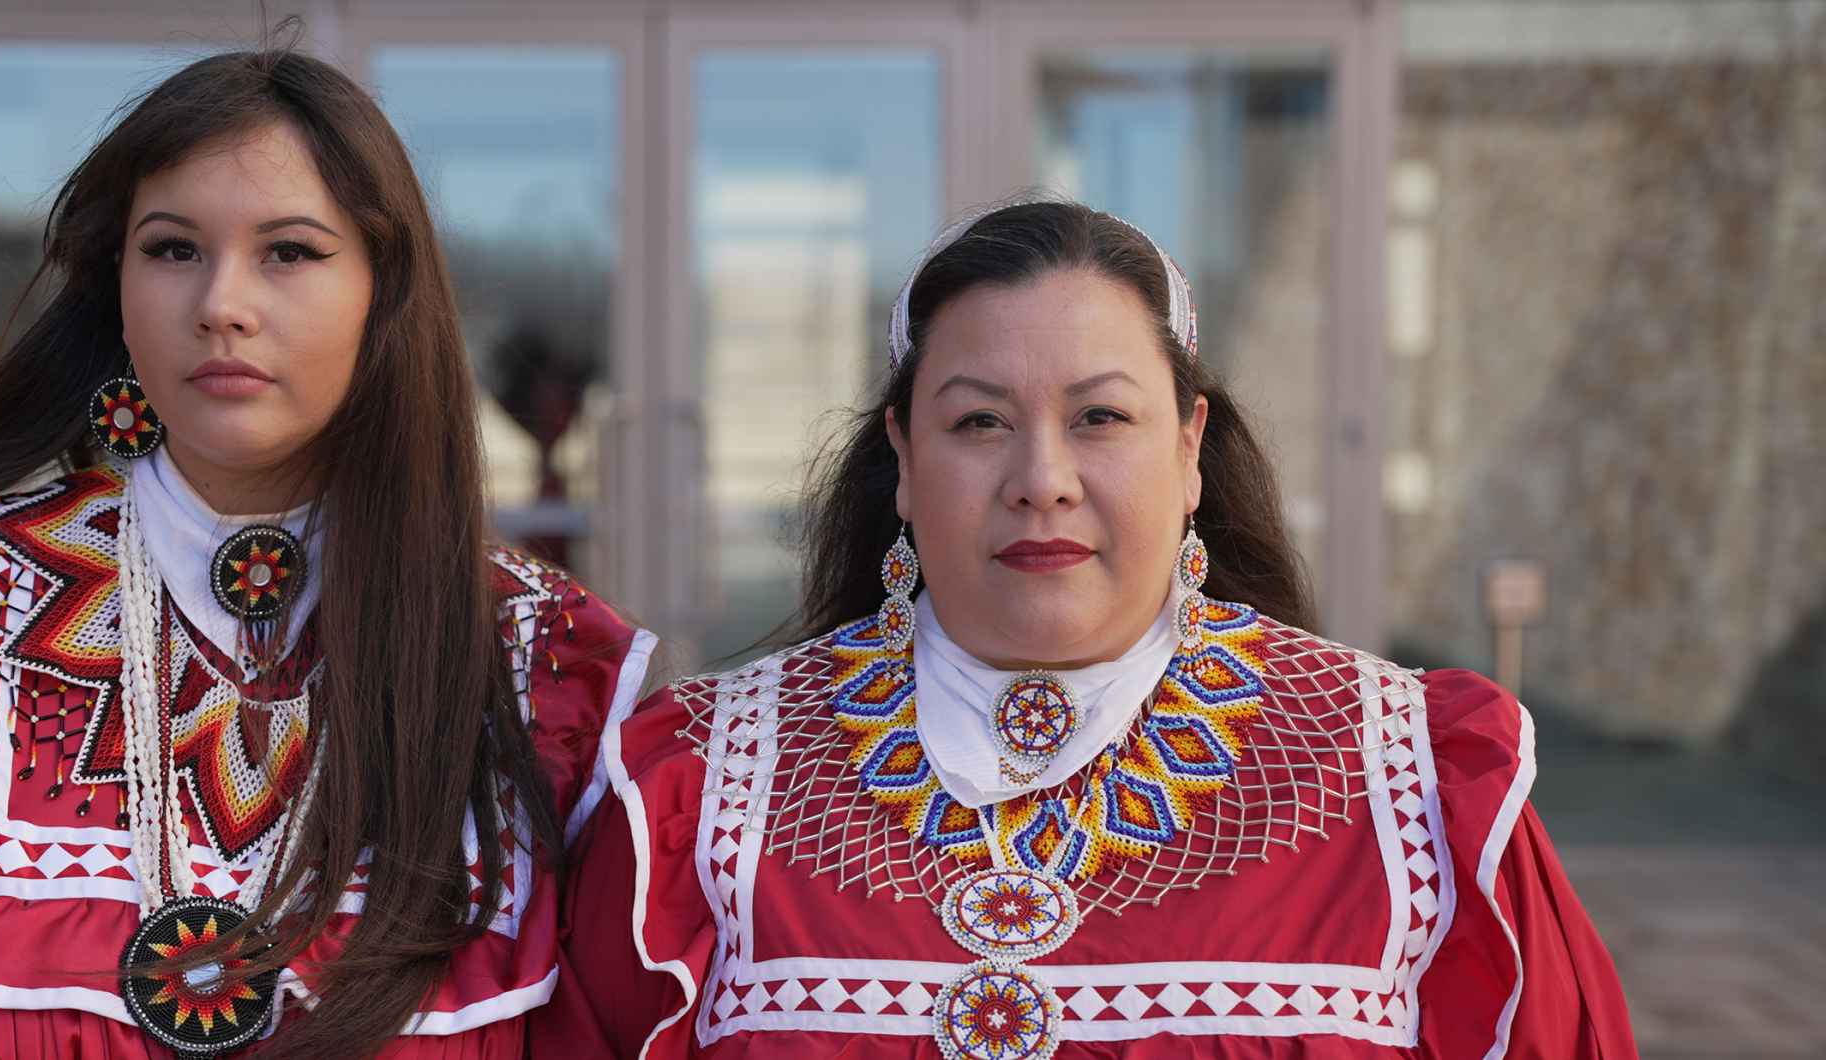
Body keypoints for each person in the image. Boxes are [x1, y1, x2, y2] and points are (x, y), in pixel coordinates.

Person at [0, 45, 652, 1058]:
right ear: (115, 286)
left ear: (384, 293)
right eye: (172, 248)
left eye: (290, 251)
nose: (222, 305)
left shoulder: (549, 673)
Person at [539, 200, 1633, 1058]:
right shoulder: (700, 789)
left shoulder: (1410, 785)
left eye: (1100, 417)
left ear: (1191, 444)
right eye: (979, 422)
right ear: (905, 459)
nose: (1041, 480)